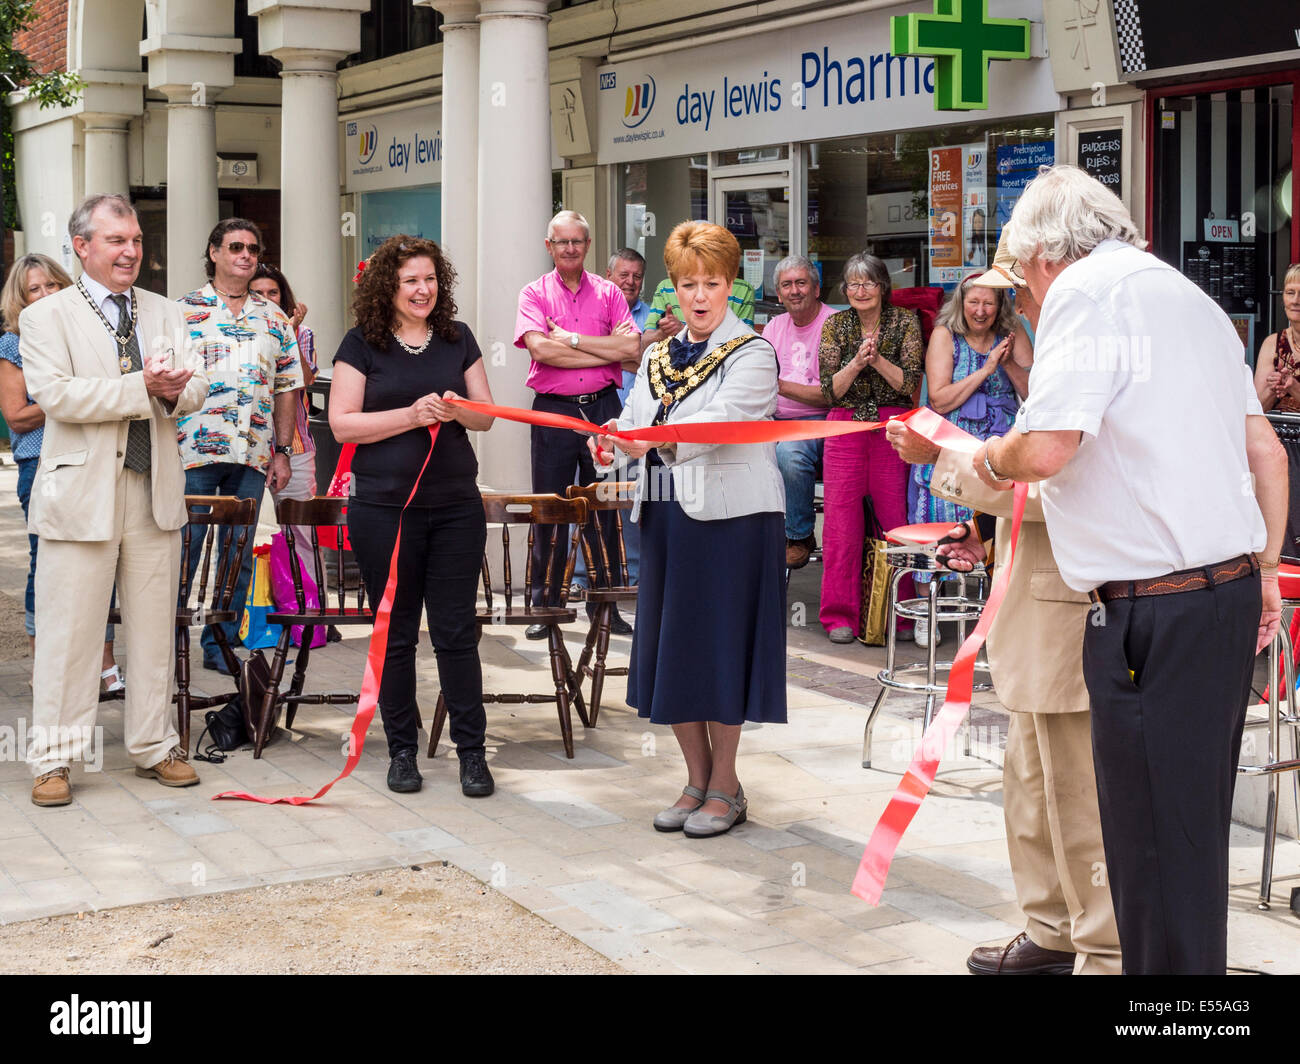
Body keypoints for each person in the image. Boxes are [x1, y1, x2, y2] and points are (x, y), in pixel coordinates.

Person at [984, 164, 1287, 974]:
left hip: (1151, 610)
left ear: (1047, 254)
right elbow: (1266, 454)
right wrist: (1264, 570)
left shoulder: (1084, 294)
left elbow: (1046, 446)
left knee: (1147, 856)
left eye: (1022, 283)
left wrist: (989, 453)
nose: (1026, 300)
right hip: (1220, 593)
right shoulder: (1191, 299)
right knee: (1189, 845)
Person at [884, 237, 1121, 975]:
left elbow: (1054, 483)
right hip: (1029, 599)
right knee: (1029, 782)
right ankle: (1050, 931)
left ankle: (1102, 948)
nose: (1009, 302)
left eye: (1015, 287)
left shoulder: (1090, 355)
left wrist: (944, 463)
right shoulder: (1054, 348)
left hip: (1069, 602)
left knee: (1076, 794)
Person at [591, 220, 786, 838]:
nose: (699, 296)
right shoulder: (654, 353)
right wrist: (611, 449)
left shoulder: (754, 353)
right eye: (687, 284)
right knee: (672, 647)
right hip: (667, 513)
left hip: (735, 519)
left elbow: (726, 422)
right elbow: (632, 420)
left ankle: (726, 786)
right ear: (672, 290)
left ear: (732, 286)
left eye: (712, 283)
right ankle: (695, 779)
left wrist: (653, 439)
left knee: (722, 648)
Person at [22, 193, 208, 806]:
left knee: (155, 629)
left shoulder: (163, 310)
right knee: (69, 632)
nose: (131, 251)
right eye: (116, 241)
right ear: (82, 247)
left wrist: (179, 392)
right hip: (79, 493)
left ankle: (155, 746)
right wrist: (142, 387)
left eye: (135, 241)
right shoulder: (46, 317)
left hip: (153, 488)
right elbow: (56, 397)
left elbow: (197, 385)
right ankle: (53, 758)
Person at [330, 235, 497, 798]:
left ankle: (472, 753)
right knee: (396, 634)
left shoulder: (458, 338)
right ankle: (402, 750)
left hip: (455, 508)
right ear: (388, 288)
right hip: (384, 511)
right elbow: (342, 425)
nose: (422, 290)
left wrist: (461, 410)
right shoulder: (361, 344)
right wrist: (411, 414)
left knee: (456, 633)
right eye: (410, 281)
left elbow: (486, 419)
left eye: (429, 279)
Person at [177, 219, 303, 674]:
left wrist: (283, 450)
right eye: (235, 247)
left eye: (252, 248)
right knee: (182, 552)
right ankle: (167, 645)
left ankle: (221, 646)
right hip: (191, 455)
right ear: (214, 252)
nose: (245, 255)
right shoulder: (182, 311)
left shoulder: (274, 318)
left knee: (237, 555)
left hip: (251, 456)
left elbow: (289, 388)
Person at [1, 254, 124, 691]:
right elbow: (16, 416)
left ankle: (105, 664)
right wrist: (71, 398)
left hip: (94, 458)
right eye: (34, 289)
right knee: (48, 565)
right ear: (21, 300)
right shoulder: (13, 344)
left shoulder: (90, 333)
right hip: (42, 465)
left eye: (52, 285)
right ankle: (43, 663)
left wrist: (82, 396)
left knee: (103, 559)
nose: (45, 295)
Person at [514, 210, 637, 639]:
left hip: (604, 409)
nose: (570, 249)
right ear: (549, 247)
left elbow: (632, 346)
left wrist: (571, 340)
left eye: (577, 242)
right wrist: (606, 353)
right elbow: (542, 353)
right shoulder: (533, 294)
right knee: (552, 508)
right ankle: (544, 605)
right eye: (561, 242)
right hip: (553, 411)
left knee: (604, 508)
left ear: (587, 246)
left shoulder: (607, 293)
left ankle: (607, 607)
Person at [908, 273, 1026, 647]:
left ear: (1000, 305)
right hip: (952, 442)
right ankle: (929, 609)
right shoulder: (945, 334)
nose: (981, 310)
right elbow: (940, 399)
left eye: (989, 302)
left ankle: (995, 617)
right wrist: (987, 368)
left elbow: (1033, 391)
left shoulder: (1013, 332)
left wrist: (1006, 363)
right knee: (943, 521)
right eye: (974, 302)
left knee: (997, 523)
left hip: (999, 442)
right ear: (962, 303)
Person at [817, 253, 923, 644]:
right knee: (841, 525)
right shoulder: (834, 325)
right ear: (845, 290)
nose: (860, 291)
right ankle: (838, 616)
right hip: (845, 427)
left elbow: (908, 383)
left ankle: (902, 612)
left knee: (896, 520)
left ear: (883, 286)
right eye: (853, 285)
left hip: (893, 427)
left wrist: (876, 360)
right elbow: (830, 390)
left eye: (868, 283)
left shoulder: (904, 322)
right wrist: (856, 364)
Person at [763, 255, 833, 570]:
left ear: (816, 289)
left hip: (819, 423)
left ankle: (799, 535)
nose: (794, 291)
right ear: (778, 294)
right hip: (774, 422)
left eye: (801, 283)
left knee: (790, 454)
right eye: (787, 285)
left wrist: (780, 386)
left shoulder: (834, 324)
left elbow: (833, 395)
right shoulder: (774, 327)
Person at [249, 262, 318, 570]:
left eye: (272, 292)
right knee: (248, 537)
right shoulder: (236, 334)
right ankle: (258, 616)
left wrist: (288, 332)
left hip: (296, 449)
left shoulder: (302, 333)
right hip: (249, 450)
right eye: (258, 292)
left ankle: (308, 615)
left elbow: (304, 379)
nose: (266, 298)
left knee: (299, 535)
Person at [639, 273, 756, 352]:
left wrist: (683, 332)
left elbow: (744, 347)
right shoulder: (666, 287)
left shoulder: (742, 289)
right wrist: (663, 333)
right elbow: (645, 345)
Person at [1252, 262, 1300, 412]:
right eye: (1290, 293)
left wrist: (1294, 387)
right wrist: (1276, 386)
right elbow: (1257, 408)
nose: (1295, 301)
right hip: (1279, 432)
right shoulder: (1273, 343)